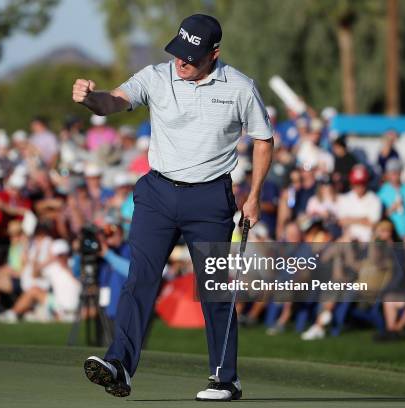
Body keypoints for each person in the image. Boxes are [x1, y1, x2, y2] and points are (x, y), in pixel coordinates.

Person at [73, 14, 273, 401]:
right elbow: (113, 101)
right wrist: (90, 99)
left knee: (213, 289)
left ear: (214, 54)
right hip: (157, 193)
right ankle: (119, 366)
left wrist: (255, 196)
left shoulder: (240, 88)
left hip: (211, 198)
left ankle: (225, 378)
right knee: (139, 280)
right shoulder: (155, 76)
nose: (181, 62)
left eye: (192, 57)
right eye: (178, 52)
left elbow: (263, 139)